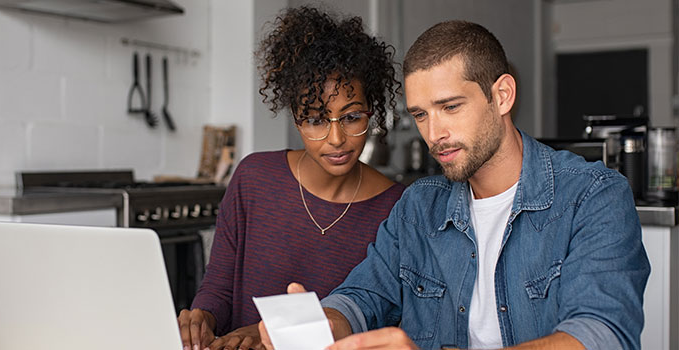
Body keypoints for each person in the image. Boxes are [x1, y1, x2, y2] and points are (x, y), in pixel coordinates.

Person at [260, 20, 650, 350]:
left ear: (501, 96)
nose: (434, 133)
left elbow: (601, 334)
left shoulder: (593, 195)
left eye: (450, 107)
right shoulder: (418, 207)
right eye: (420, 114)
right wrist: (324, 324)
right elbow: (364, 296)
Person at [177, 6, 405, 350]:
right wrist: (202, 318)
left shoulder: (397, 207)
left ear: (372, 112)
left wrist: (260, 332)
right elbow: (219, 287)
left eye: (352, 116)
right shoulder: (253, 178)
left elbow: (377, 316)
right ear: (296, 120)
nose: (336, 139)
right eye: (315, 120)